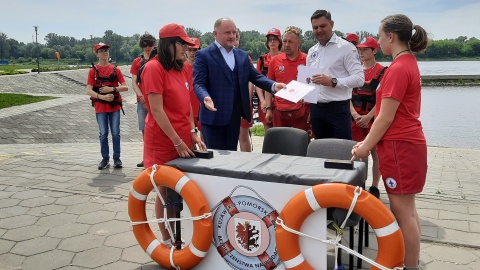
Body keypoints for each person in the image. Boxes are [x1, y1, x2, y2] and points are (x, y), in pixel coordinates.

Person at [351, 14, 429, 270]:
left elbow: (384, 118)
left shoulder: (397, 68)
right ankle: (412, 263)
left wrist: (365, 146)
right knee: (408, 209)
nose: (380, 39)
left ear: (391, 37)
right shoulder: (408, 62)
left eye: (380, 34)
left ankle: (410, 266)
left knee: (402, 212)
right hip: (405, 144)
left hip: (400, 145)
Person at [141, 23, 206, 246]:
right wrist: (177, 141)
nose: (186, 49)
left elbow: (186, 105)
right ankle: (167, 238)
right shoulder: (153, 68)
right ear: (170, 44)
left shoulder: (180, 68)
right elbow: (157, 110)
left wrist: (192, 131)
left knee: (179, 191)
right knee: (165, 192)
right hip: (163, 142)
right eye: (182, 44)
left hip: (182, 140)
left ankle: (181, 233)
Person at [193, 17, 286, 151]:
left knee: (232, 156)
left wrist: (273, 86)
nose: (232, 36)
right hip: (213, 118)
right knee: (215, 160)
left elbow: (256, 77)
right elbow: (198, 83)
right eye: (227, 33)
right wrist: (204, 97)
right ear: (215, 34)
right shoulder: (203, 55)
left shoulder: (242, 55)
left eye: (234, 32)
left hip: (234, 117)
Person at [307, 10, 364, 140]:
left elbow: (359, 79)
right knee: (320, 152)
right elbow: (310, 81)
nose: (319, 30)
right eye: (315, 28)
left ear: (332, 24)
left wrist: (333, 81)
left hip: (338, 110)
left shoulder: (346, 48)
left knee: (340, 154)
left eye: (323, 26)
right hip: (316, 110)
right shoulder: (312, 51)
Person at [350, 36, 386, 198]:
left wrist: (368, 117)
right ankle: (359, 185)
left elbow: (386, 99)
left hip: (374, 120)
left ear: (374, 51)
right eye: (360, 49)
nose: (361, 52)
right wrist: (356, 115)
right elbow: (345, 95)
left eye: (365, 49)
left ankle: (375, 187)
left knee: (376, 154)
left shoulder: (384, 71)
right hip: (355, 119)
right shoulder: (354, 70)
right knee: (358, 153)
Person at [86, 42, 128, 170]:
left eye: (106, 50)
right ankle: (105, 158)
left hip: (114, 107)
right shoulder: (93, 71)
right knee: (103, 133)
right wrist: (101, 97)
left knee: (116, 133)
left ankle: (117, 158)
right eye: (101, 51)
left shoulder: (116, 70)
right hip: (101, 107)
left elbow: (125, 87)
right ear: (97, 53)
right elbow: (89, 90)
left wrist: (112, 89)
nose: (105, 53)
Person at [267, 27, 310, 133]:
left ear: (298, 42)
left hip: (302, 112)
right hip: (280, 111)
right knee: (280, 145)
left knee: (301, 144)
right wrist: (268, 109)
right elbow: (268, 87)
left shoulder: (307, 60)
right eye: (285, 41)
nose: (286, 45)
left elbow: (313, 87)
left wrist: (312, 111)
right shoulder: (275, 61)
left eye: (290, 42)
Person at [130, 33, 156, 168]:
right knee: (145, 130)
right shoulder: (137, 62)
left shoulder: (158, 60)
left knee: (158, 128)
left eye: (150, 44)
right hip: (142, 101)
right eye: (144, 45)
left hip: (156, 101)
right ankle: (147, 157)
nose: (147, 47)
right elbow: (134, 83)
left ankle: (156, 155)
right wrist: (142, 98)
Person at [256, 28, 282, 132]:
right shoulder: (262, 60)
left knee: (280, 132)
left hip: (279, 101)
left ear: (280, 41)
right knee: (268, 133)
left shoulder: (283, 58)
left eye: (275, 39)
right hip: (264, 102)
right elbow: (257, 81)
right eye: (270, 39)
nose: (272, 42)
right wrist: (263, 101)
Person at [236, 30, 255, 152]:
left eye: (236, 38)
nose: (234, 41)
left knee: (243, 136)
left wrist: (246, 105)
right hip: (227, 106)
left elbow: (251, 80)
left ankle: (247, 163)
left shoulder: (244, 57)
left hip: (243, 102)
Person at [185, 37, 202, 138]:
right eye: (190, 50)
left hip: (201, 109)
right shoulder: (180, 69)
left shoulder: (203, 68)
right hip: (187, 111)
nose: (192, 53)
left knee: (205, 142)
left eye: (195, 50)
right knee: (189, 141)